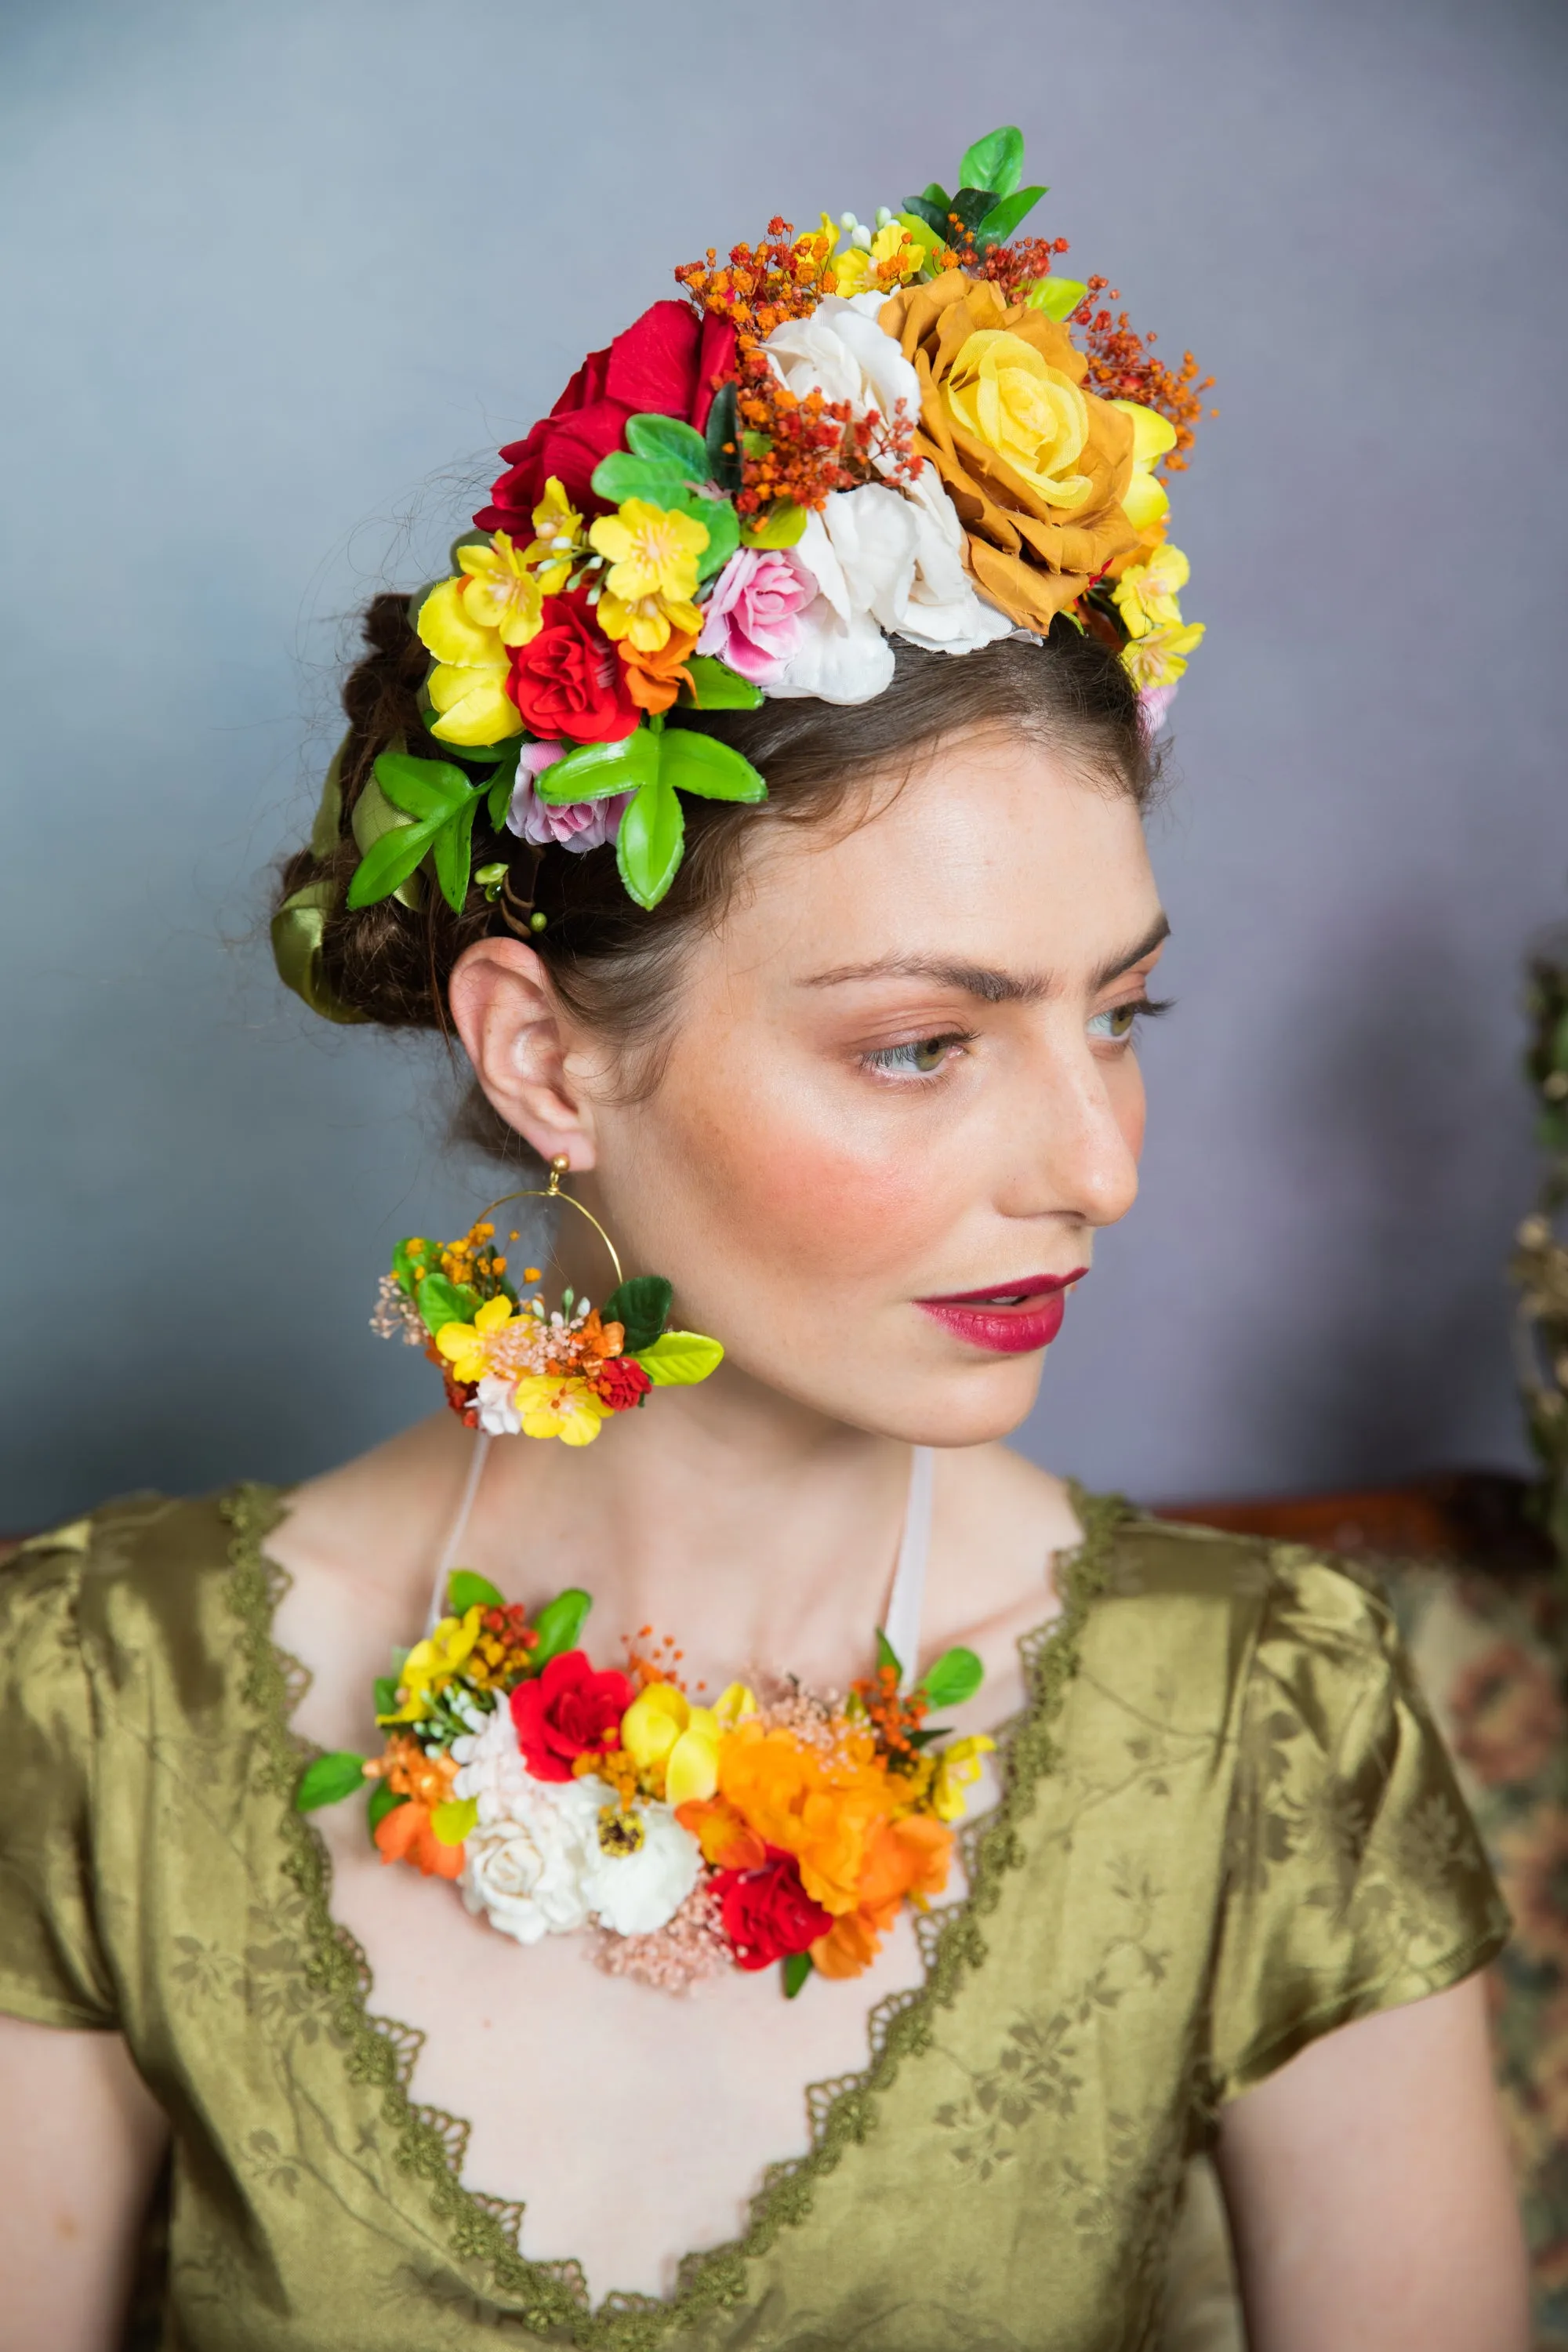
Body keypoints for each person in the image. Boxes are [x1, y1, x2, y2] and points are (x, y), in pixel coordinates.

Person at [0, 132, 1529, 2352]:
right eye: (926, 1043)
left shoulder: (1263, 1732)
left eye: (1120, 1016)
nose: (1097, 1164)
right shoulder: (95, 1705)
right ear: (547, 1060)